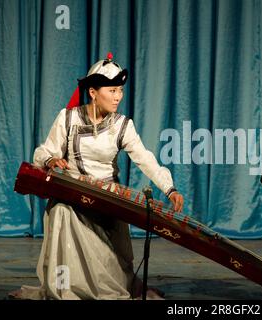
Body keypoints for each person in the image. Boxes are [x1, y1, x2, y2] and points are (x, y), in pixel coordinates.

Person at [10, 53, 184, 300]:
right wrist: (51, 160)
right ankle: (65, 287)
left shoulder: (122, 125)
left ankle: (102, 284)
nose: (118, 97)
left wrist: (170, 188)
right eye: (112, 91)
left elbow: (145, 159)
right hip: (71, 196)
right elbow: (43, 152)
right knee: (61, 210)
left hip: (106, 199)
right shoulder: (68, 118)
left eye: (120, 91)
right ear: (93, 92)